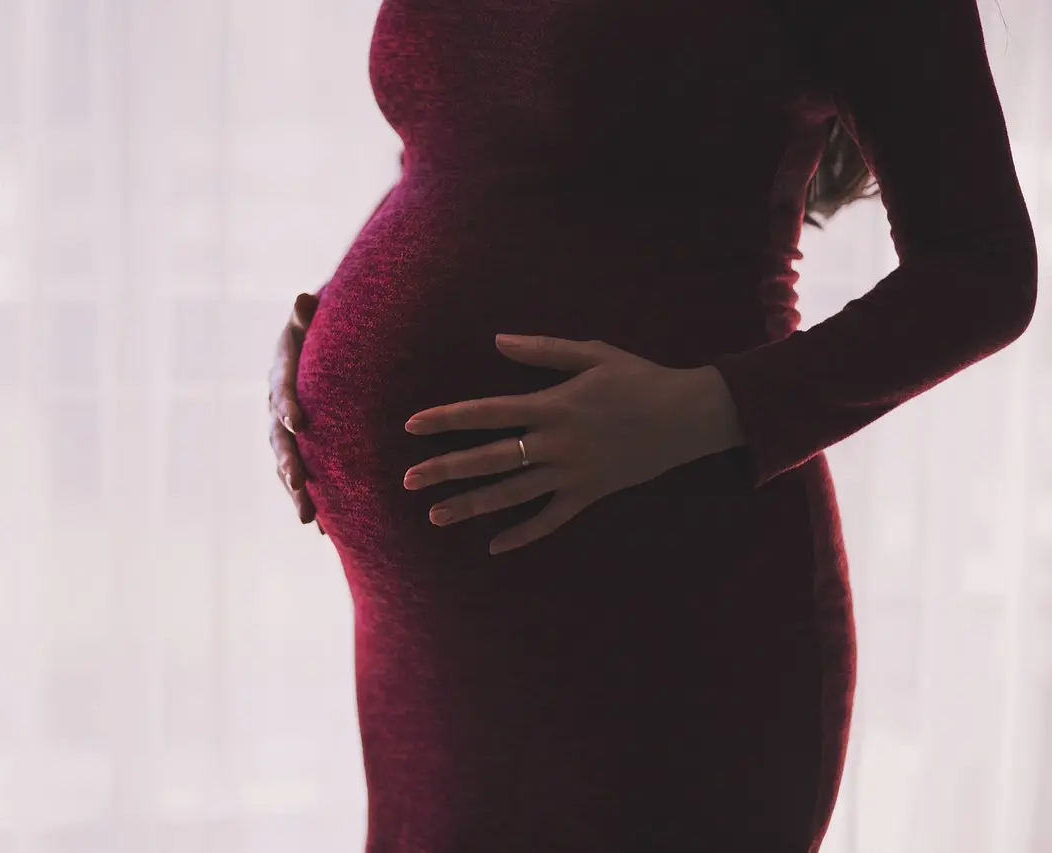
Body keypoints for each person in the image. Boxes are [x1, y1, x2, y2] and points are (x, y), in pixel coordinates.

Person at [266, 0, 1037, 849]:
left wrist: (703, 407)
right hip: (427, 644)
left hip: (656, 611)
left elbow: (984, 268)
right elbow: (470, 158)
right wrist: (324, 334)